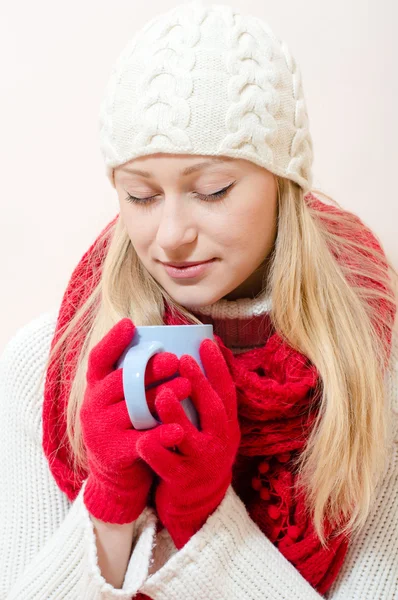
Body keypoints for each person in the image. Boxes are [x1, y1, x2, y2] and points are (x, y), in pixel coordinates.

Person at [1, 1, 397, 598]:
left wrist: (205, 523)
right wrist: (109, 508)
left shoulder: (378, 364)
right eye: (140, 196)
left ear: (284, 185)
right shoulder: (44, 366)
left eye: (211, 190)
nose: (170, 236)